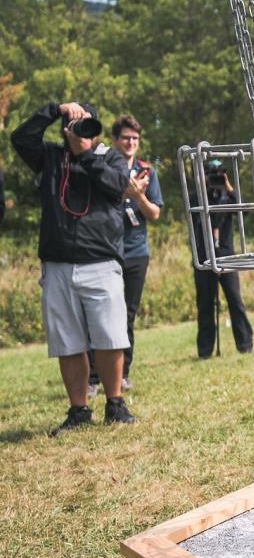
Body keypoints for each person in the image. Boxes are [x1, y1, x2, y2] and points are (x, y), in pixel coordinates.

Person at [11, 101, 139, 434]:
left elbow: (116, 185)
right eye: (76, 124)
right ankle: (79, 410)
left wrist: (85, 154)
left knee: (110, 337)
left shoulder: (109, 157)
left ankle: (115, 403)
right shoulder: (50, 158)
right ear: (64, 128)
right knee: (67, 341)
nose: (83, 130)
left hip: (101, 260)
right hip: (58, 263)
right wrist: (54, 109)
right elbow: (20, 137)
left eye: (88, 124)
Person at [87, 115, 161, 397]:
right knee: (100, 315)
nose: (130, 143)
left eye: (135, 139)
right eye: (125, 138)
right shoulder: (104, 168)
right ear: (115, 141)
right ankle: (93, 379)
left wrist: (137, 195)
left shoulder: (147, 172)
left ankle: (122, 375)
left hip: (136, 253)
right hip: (106, 252)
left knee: (127, 316)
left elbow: (154, 214)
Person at [191, 159, 254, 358]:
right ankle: (204, 350)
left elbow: (244, 209)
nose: (214, 178)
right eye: (210, 174)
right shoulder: (196, 197)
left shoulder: (227, 197)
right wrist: (205, 187)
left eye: (217, 174)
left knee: (235, 301)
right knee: (205, 304)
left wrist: (227, 187)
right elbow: (196, 213)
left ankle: (245, 345)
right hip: (204, 256)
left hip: (226, 255)